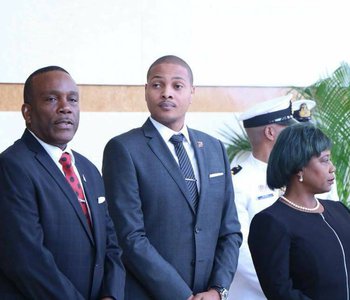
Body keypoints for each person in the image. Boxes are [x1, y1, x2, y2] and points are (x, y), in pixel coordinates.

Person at [102, 55, 242, 300]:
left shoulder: (214, 148)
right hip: (150, 294)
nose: (167, 93)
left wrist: (218, 290)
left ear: (191, 92)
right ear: (146, 91)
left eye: (177, 86)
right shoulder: (124, 149)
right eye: (157, 85)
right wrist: (181, 295)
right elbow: (130, 236)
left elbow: (230, 230)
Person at [0, 66, 125, 300]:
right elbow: (27, 261)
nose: (65, 107)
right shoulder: (12, 166)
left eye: (72, 99)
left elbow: (111, 245)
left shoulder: (89, 169)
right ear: (27, 112)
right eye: (51, 99)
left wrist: (111, 295)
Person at [248, 122, 350, 299]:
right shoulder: (270, 222)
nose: (332, 167)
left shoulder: (339, 210)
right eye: (324, 160)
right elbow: (280, 291)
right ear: (299, 167)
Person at [228, 94, 298, 300]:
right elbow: (240, 249)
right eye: (288, 131)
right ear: (270, 132)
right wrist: (280, 288)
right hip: (257, 293)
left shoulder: (296, 173)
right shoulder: (238, 182)